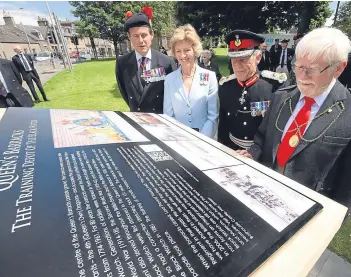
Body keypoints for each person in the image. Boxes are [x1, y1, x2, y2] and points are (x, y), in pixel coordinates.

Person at [238, 27, 351, 212]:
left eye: (311, 70)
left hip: (307, 211)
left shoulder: (347, 112)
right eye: (298, 67)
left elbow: (347, 190)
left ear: (338, 68)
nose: (301, 77)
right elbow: (261, 137)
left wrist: (330, 223)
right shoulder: (282, 96)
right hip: (263, 195)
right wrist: (251, 153)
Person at [218, 30, 288, 150]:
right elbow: (223, 127)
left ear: (258, 58)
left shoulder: (274, 86)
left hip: (260, 155)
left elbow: (277, 131)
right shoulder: (226, 86)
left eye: (243, 59)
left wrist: (256, 154)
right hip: (231, 150)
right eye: (234, 59)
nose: (237, 65)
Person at [116, 8, 176, 113]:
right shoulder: (122, 63)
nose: (140, 41)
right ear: (129, 37)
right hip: (137, 118)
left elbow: (173, 93)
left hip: (160, 119)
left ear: (151, 35)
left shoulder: (166, 62)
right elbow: (125, 92)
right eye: (135, 36)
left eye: (144, 35)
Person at [163, 24, 219, 138]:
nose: (182, 55)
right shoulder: (169, 80)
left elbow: (212, 116)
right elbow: (168, 116)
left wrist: (200, 140)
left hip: (205, 140)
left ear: (195, 50)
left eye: (187, 50)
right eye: (178, 51)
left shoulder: (210, 77)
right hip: (179, 141)